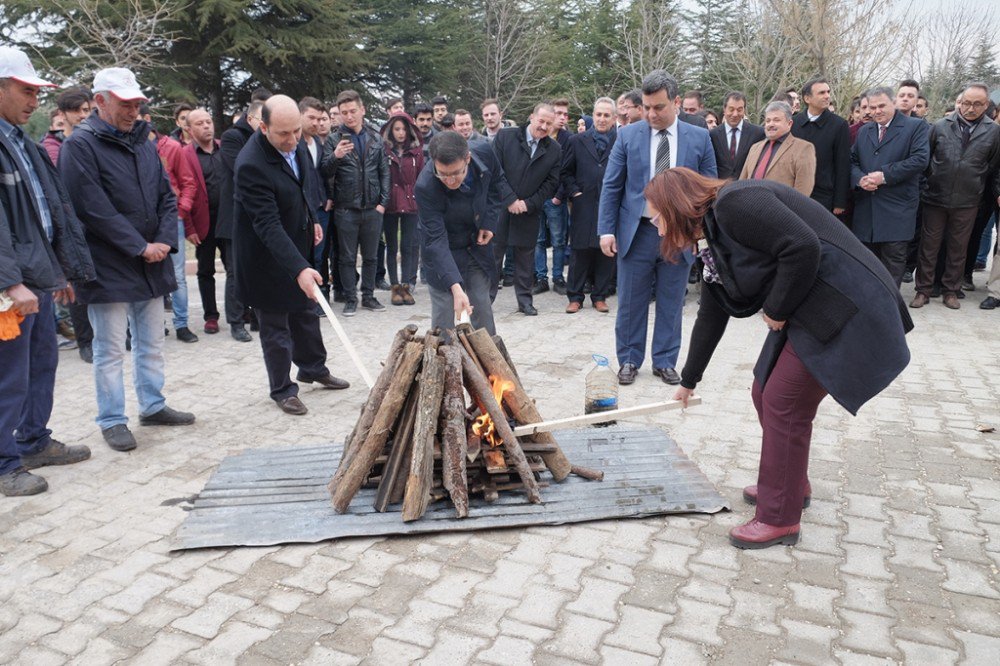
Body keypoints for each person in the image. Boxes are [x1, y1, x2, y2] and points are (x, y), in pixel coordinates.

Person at [659, 169, 911, 548]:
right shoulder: (712, 237)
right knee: (764, 391)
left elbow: (802, 246)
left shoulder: (735, 202)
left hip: (845, 303)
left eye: (656, 216)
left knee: (784, 402)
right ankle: (790, 485)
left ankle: (780, 518)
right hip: (810, 306)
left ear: (675, 205)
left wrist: (775, 309)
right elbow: (712, 312)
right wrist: (689, 380)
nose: (656, 226)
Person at [60, 67, 196, 452]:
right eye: (125, 103)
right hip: (109, 264)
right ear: (100, 101)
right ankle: (112, 418)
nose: (133, 110)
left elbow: (166, 196)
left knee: (151, 341)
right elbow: (91, 207)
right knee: (109, 348)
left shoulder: (143, 142)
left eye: (137, 103)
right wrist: (139, 245)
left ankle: (152, 404)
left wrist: (165, 241)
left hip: (150, 260)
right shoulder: (80, 146)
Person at [0, 47, 95, 496]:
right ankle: (4, 464)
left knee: (42, 363)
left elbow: (45, 214)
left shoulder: (22, 142)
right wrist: (10, 282)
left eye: (38, 92)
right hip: (10, 287)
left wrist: (59, 272)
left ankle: (33, 440)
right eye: (25, 90)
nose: (34, 100)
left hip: (36, 279)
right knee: (8, 375)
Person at [598, 69, 717, 386]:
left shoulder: (700, 138)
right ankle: (628, 359)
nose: (651, 113)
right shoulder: (627, 135)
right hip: (636, 233)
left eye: (659, 107)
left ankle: (665, 361)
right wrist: (606, 230)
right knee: (630, 302)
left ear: (676, 102)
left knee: (671, 300)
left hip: (679, 235)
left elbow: (708, 191)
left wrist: (699, 236)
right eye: (647, 107)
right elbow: (612, 186)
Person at [233, 95, 349, 415]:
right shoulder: (250, 165)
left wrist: (311, 219)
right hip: (263, 256)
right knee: (275, 324)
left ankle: (313, 367)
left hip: (295, 242)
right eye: (283, 133)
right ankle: (282, 388)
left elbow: (302, 187)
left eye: (296, 131)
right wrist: (299, 268)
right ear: (263, 126)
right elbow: (267, 224)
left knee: (305, 311)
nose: (293, 140)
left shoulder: (295, 143)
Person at [911, 83, 1000, 310]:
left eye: (977, 104)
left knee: (958, 248)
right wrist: (930, 183)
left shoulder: (994, 131)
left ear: (986, 105)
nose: (970, 108)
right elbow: (926, 160)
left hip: (968, 200)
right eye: (966, 103)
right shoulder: (940, 126)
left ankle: (951, 290)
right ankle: (923, 290)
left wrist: (975, 182)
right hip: (935, 197)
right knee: (928, 246)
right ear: (960, 102)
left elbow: (991, 165)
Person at [416, 131, 511, 334]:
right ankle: (443, 363)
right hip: (442, 251)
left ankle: (488, 364)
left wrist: (488, 222)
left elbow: (497, 184)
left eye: (457, 173)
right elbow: (435, 240)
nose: (450, 180)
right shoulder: (425, 186)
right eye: (443, 174)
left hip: (475, 244)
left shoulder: (484, 152)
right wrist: (455, 287)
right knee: (444, 317)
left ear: (467, 158)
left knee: (482, 307)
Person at [850, 86, 930, 286]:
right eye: (872, 107)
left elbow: (920, 159)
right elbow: (852, 161)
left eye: (881, 106)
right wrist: (860, 179)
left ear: (894, 103)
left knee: (892, 262)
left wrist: (884, 176)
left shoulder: (915, 127)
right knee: (866, 261)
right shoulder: (864, 131)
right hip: (867, 208)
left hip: (897, 208)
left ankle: (890, 307)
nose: (876, 111)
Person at [321, 89, 390, 316]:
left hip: (372, 208)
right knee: (347, 258)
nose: (349, 117)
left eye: (352, 111)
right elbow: (324, 171)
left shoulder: (376, 138)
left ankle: (368, 296)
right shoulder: (333, 140)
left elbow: (384, 172)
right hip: (346, 209)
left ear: (362, 110)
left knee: (371, 256)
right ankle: (350, 298)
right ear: (339, 115)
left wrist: (382, 203)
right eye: (344, 113)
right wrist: (335, 156)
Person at [491, 102, 562, 316]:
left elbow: (551, 183)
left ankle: (525, 301)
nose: (543, 126)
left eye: (549, 124)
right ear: (531, 117)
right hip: (500, 208)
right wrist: (510, 199)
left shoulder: (554, 149)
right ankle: (485, 299)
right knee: (494, 256)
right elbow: (495, 170)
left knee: (525, 258)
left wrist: (528, 203)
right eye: (541, 121)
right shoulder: (506, 136)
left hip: (529, 211)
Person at [182, 108, 246, 338]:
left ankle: (239, 312)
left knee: (234, 268)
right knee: (205, 270)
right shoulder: (185, 154)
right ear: (189, 130)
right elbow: (182, 191)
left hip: (229, 221)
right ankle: (211, 316)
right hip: (203, 223)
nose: (207, 126)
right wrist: (188, 227)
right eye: (200, 123)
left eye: (209, 121)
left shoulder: (225, 148)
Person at [44, 87, 95, 362]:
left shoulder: (96, 140)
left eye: (87, 110)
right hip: (69, 226)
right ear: (63, 115)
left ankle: (116, 335)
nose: (84, 115)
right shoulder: (51, 149)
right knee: (78, 287)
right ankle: (85, 340)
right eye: (78, 111)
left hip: (96, 224)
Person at [143, 106, 199, 344]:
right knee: (149, 274)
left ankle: (182, 323)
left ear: (146, 119)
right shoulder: (130, 149)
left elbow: (188, 183)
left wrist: (182, 211)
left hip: (171, 218)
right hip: (145, 222)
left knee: (177, 274)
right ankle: (157, 325)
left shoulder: (172, 148)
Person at [218, 93, 269, 336]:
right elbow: (244, 169)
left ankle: (258, 317)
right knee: (235, 272)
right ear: (250, 118)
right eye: (262, 118)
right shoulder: (232, 138)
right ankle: (236, 323)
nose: (265, 123)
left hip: (258, 215)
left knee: (259, 269)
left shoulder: (265, 139)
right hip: (235, 217)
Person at [562, 97, 617, 314]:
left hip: (609, 204)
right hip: (583, 203)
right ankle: (575, 296)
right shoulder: (577, 140)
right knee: (579, 251)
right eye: (598, 114)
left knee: (605, 252)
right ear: (593, 115)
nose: (602, 119)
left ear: (613, 118)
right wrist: (574, 191)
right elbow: (565, 171)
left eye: (606, 115)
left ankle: (600, 296)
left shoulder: (621, 141)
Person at [380, 113, 424, 306]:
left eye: (404, 129)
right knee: (392, 246)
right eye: (397, 129)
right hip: (389, 203)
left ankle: (406, 285)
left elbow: (422, 177)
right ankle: (395, 287)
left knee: (408, 246)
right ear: (391, 130)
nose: (400, 133)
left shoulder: (417, 152)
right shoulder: (384, 151)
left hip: (411, 203)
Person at [792, 77, 850, 215]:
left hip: (825, 197)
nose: (827, 96)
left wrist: (839, 202)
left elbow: (843, 165)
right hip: (795, 194)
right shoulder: (793, 123)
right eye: (821, 93)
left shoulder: (839, 125)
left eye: (828, 92)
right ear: (807, 98)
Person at [534, 97, 573, 296]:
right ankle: (541, 278)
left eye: (566, 114)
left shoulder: (568, 139)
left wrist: (559, 196)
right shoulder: (537, 136)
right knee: (539, 240)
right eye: (558, 113)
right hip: (536, 198)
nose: (562, 118)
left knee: (559, 240)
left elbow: (567, 170)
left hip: (556, 198)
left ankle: (558, 277)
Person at [299, 96, 333, 316]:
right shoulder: (295, 144)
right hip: (303, 209)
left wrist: (327, 196)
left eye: (320, 119)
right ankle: (306, 299)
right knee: (305, 255)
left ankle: (318, 298)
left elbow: (320, 174)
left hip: (322, 207)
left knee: (320, 256)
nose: (316, 123)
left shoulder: (318, 143)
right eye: (311, 118)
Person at [741, 101, 816, 197]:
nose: (771, 124)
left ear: (789, 123)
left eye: (776, 120)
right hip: (749, 208)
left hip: (780, 210)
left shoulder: (803, 148)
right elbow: (742, 181)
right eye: (768, 121)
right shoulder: (755, 148)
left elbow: (803, 191)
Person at [710, 91, 765, 180]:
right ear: (724, 109)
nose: (735, 114)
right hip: (720, 188)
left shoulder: (758, 133)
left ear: (744, 110)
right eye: (731, 109)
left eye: (739, 110)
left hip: (747, 187)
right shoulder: (713, 135)